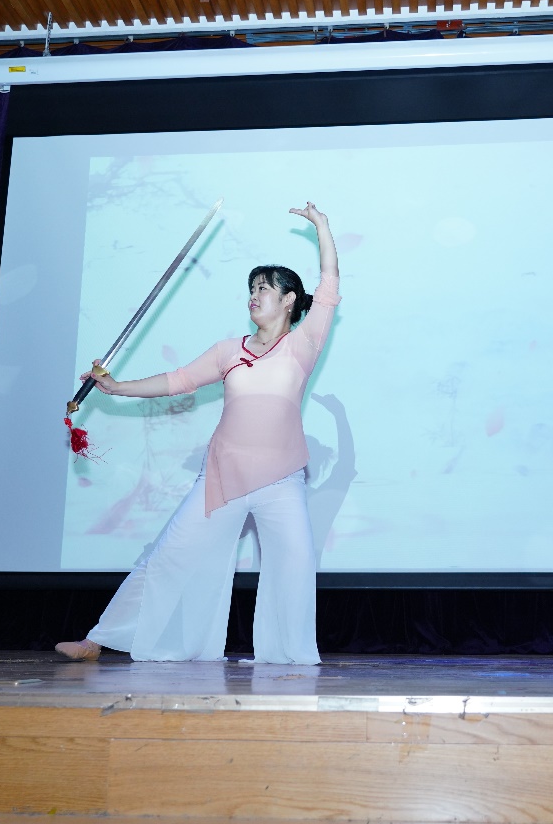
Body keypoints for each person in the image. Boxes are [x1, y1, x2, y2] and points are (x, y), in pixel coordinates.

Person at [56, 202, 340, 665]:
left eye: (264, 288)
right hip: (222, 477)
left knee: (295, 566)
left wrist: (322, 228)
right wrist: (118, 387)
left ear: (289, 300)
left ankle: (291, 660)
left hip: (281, 479)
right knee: (167, 555)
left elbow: (328, 287)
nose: (253, 296)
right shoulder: (229, 350)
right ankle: (98, 640)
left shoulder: (303, 343)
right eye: (251, 289)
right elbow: (179, 380)